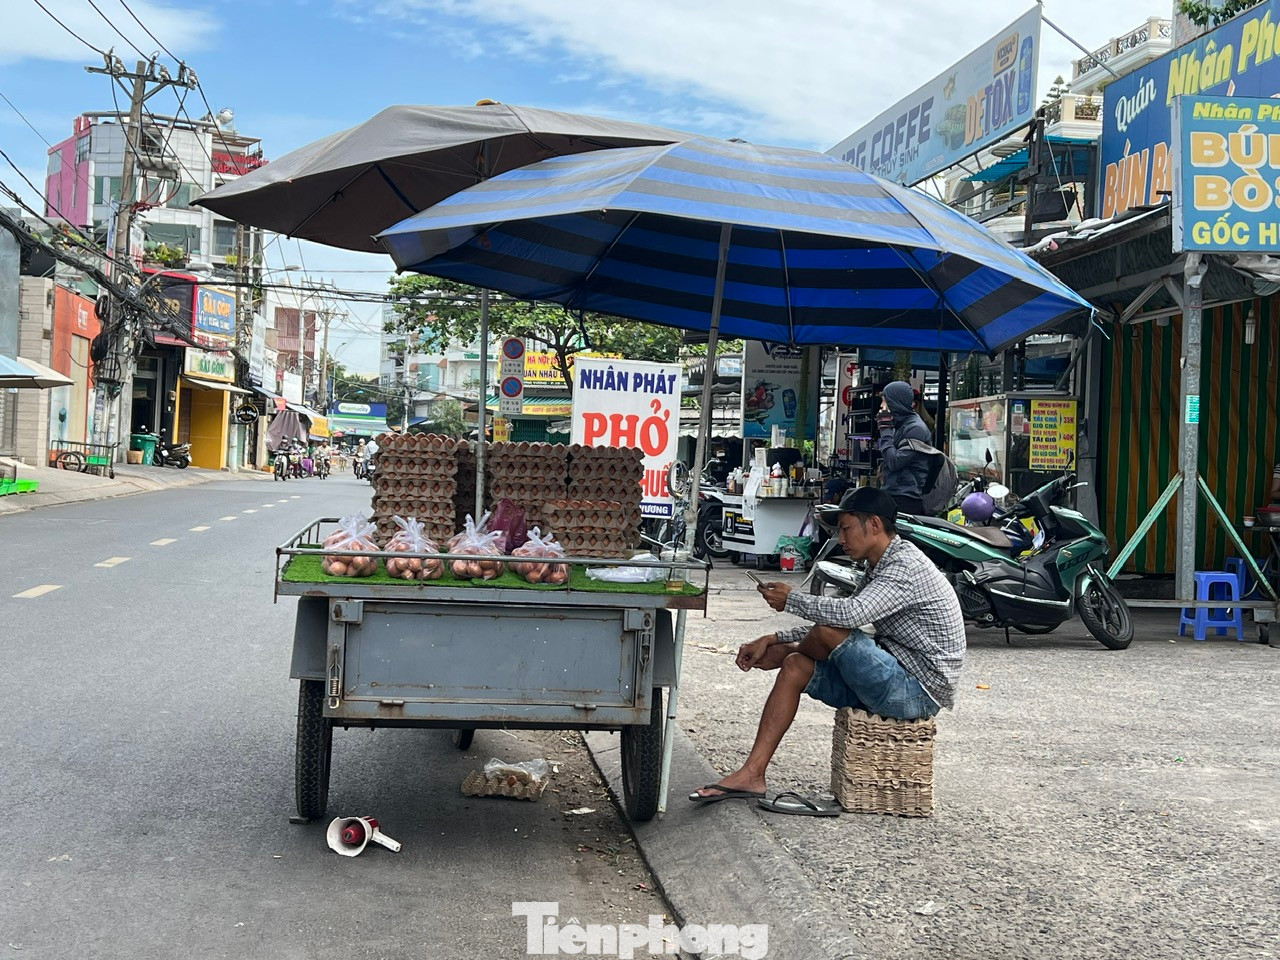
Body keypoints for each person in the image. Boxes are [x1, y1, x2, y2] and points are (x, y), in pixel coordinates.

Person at [690, 487, 965, 806]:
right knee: (795, 666)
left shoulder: (904, 565)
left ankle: (783, 654)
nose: (842, 539)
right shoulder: (879, 565)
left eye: (846, 529)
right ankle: (752, 774)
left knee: (818, 637)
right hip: (893, 678)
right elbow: (844, 620)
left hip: (917, 692)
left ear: (873, 525)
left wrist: (791, 600)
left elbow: (849, 616)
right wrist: (774, 638)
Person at [876, 380, 932, 515]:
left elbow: (895, 461)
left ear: (895, 402)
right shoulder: (900, 425)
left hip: (906, 498)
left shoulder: (915, 429)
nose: (881, 406)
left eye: (885, 401)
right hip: (893, 493)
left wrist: (885, 431)